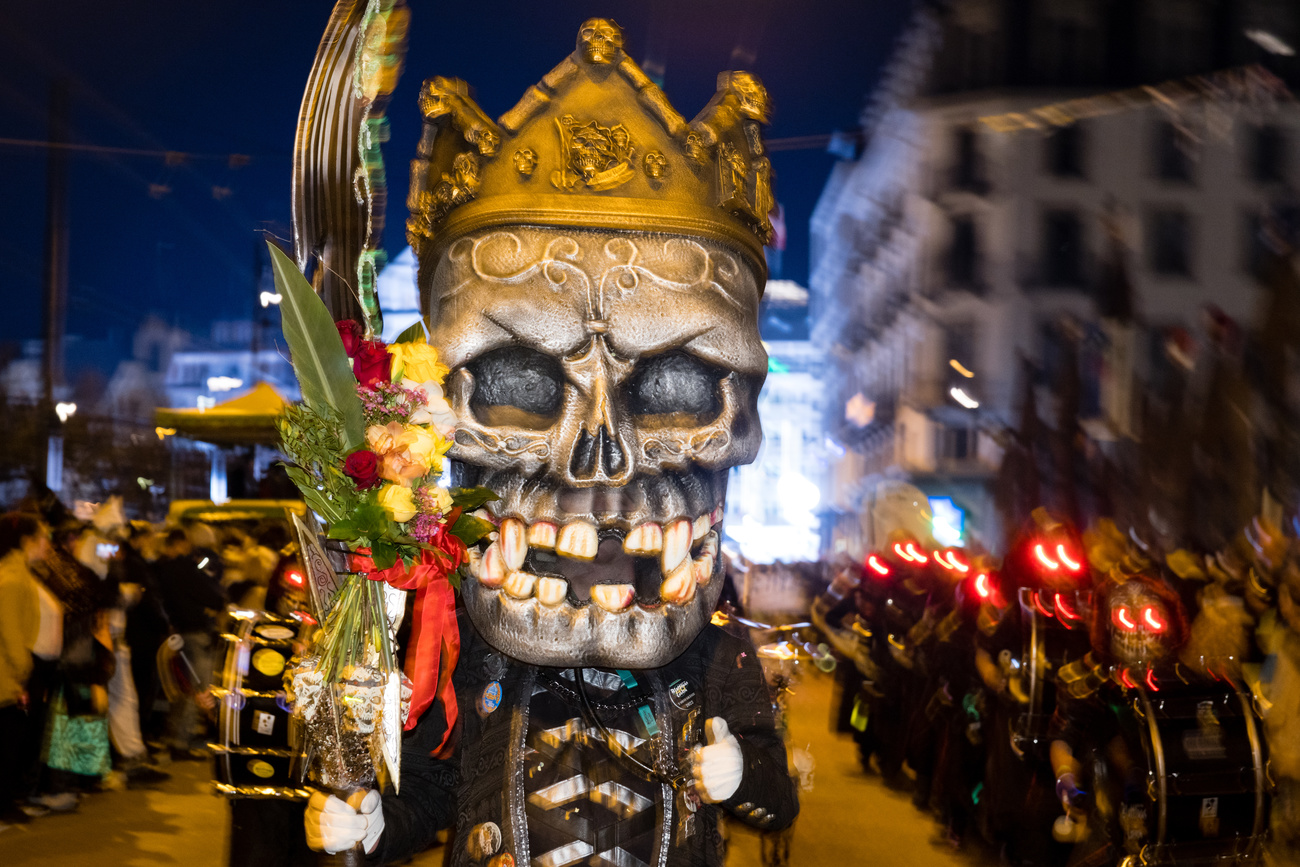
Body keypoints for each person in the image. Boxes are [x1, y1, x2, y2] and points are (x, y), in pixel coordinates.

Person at [154, 528, 224, 758]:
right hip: (194, 632)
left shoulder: (160, 568)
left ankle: (174, 737)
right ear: (182, 542)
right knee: (199, 688)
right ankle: (180, 743)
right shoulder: (185, 568)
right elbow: (214, 596)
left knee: (184, 687)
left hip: (177, 632)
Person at [0, 513, 50, 829]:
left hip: (10, 674)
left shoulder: (18, 574)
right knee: (7, 743)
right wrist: (23, 668)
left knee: (11, 742)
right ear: (26, 541)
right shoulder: (12, 577)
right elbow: (10, 630)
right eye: (43, 538)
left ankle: (7, 803)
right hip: (7, 676)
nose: (48, 545)